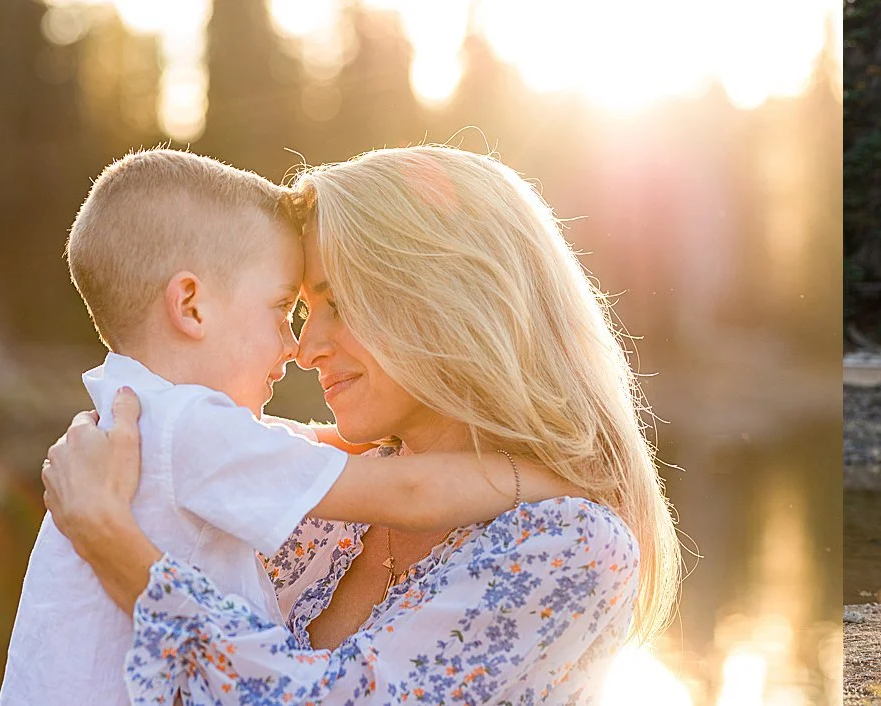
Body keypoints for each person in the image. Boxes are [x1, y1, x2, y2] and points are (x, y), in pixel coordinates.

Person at [42, 146, 680, 704]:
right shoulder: (323, 510)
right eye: (298, 310)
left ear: (449, 301)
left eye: (340, 303)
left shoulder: (571, 542)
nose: (305, 348)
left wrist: (115, 546)